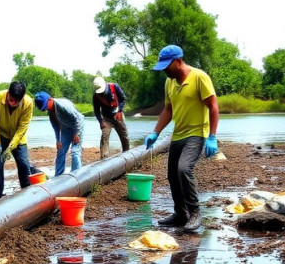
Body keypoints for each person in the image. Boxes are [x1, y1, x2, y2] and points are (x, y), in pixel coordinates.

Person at [145, 45, 219, 232]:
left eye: (166, 67)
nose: (164, 71)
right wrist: (156, 132)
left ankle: (195, 213)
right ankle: (181, 214)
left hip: (196, 133)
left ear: (178, 62)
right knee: (172, 175)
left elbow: (213, 106)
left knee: (184, 169)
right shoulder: (169, 83)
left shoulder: (200, 77)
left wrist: (212, 136)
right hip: (178, 134)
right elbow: (168, 110)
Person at [0, 81, 34, 200]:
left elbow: (22, 127)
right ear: (8, 93)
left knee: (24, 165)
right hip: (1, 137)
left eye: (16, 102)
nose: (12, 103)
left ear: (22, 99)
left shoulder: (28, 103)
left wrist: (11, 147)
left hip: (18, 138)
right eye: (10, 99)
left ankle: (27, 192)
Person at [34, 91, 85, 176]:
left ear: (50, 100)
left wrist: (77, 134)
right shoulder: (50, 111)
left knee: (75, 151)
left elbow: (78, 118)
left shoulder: (63, 105)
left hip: (76, 126)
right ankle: (58, 176)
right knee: (61, 151)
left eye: (45, 107)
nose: (45, 109)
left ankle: (77, 175)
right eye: (43, 109)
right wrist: (58, 140)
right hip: (65, 128)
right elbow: (55, 125)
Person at [92, 76, 130, 159]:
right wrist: (100, 121)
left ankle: (127, 154)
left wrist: (120, 111)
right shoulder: (96, 96)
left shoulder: (114, 87)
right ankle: (103, 158)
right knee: (104, 137)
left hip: (117, 115)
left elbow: (123, 99)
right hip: (106, 118)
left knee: (124, 135)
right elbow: (96, 110)